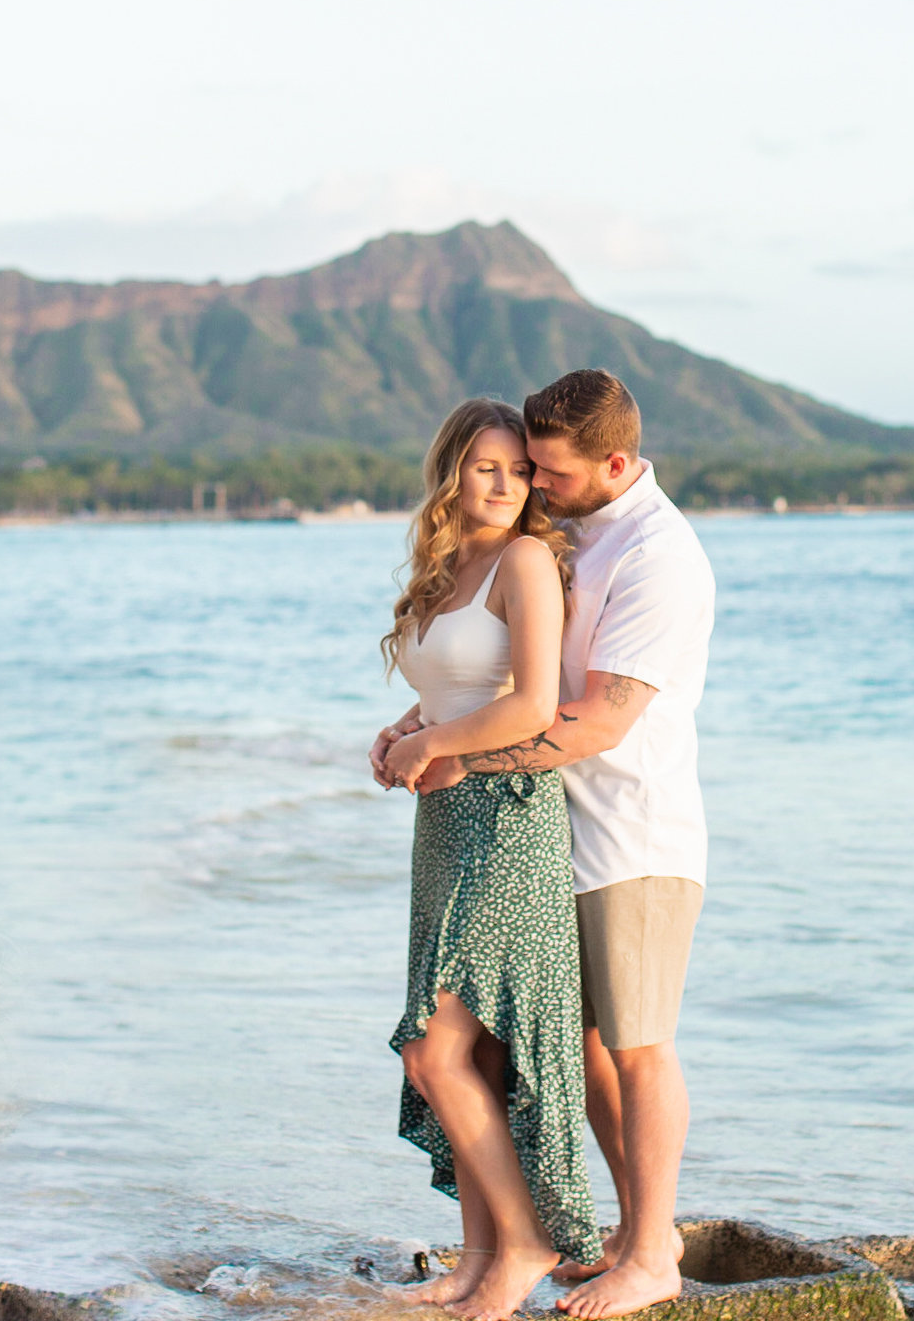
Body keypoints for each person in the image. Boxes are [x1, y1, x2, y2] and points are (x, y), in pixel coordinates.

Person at [404, 370, 716, 1321]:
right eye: (517, 468)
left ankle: (653, 1253)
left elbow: (595, 721)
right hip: (553, 832)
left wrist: (457, 759)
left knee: (640, 1048)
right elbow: (495, 664)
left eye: (549, 471)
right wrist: (424, 725)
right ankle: (623, 1235)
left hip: (634, 835)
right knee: (576, 1056)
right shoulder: (568, 527)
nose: (533, 485)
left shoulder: (662, 555)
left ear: (614, 464)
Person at [371, 397, 603, 1321]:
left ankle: (527, 1243)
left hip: (507, 814)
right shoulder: (449, 565)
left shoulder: (527, 562)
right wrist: (401, 730)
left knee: (437, 1048)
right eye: (486, 468)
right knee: (471, 1053)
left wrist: (433, 749)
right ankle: (477, 1260)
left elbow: (533, 705)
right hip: (444, 822)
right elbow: (454, 689)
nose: (507, 485)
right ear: (451, 475)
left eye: (519, 469)